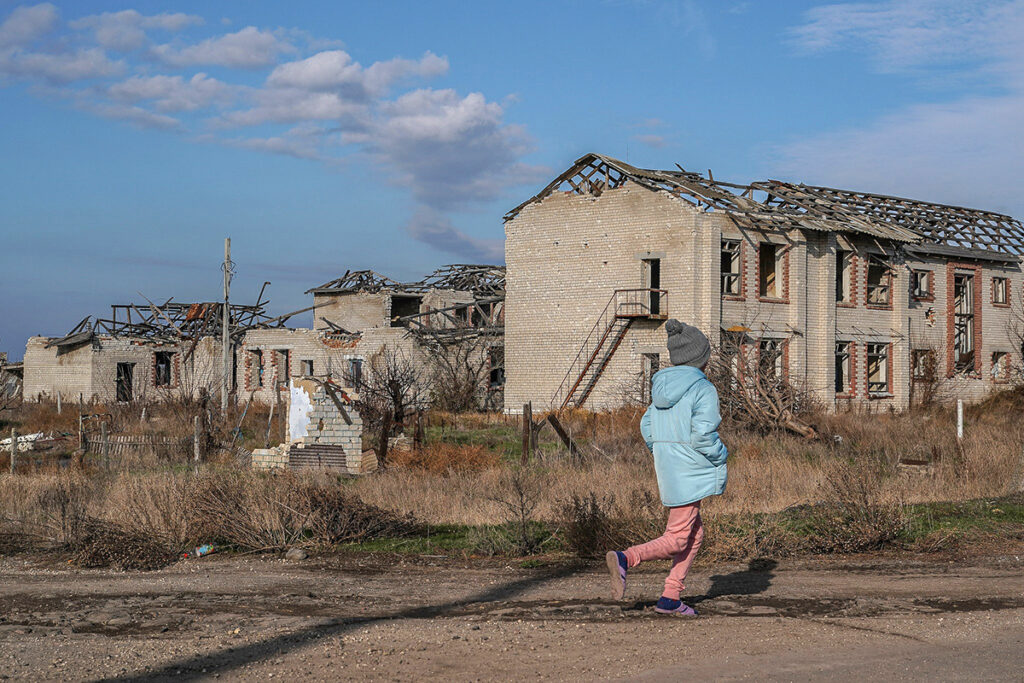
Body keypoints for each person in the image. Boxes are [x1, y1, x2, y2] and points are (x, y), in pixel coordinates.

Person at [605, 319, 728, 616]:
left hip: (670, 468)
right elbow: (703, 434)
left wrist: (663, 452)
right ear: (702, 358)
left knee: (693, 533)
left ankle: (671, 597)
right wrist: (721, 455)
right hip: (692, 470)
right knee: (677, 538)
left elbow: (647, 426)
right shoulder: (703, 389)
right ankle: (625, 558)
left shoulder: (661, 386)